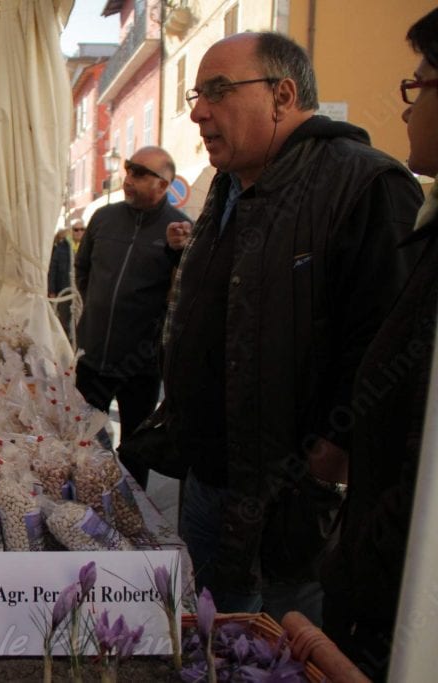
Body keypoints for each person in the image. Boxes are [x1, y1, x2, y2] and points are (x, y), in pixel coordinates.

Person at [158, 32, 422, 624]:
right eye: (197, 94)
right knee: (206, 640)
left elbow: (387, 353)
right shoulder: (230, 186)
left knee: (278, 646)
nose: (199, 111)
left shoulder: (365, 184)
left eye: (219, 91)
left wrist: (326, 470)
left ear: (282, 95)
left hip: (293, 504)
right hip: (209, 482)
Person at [320, 9, 438, 678]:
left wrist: (365, 563)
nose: (406, 109)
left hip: (392, 592)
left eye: (418, 86)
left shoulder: (375, 188)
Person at [74, 146, 188, 488]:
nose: (129, 178)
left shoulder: (180, 231)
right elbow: (83, 271)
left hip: (140, 365)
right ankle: (80, 508)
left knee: (135, 453)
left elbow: (185, 293)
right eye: (128, 169)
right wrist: (97, 311)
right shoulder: (103, 218)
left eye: (140, 173)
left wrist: (177, 254)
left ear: (163, 185)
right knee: (79, 441)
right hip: (94, 358)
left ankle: (132, 515)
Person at [47, 227, 73, 335]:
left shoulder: (81, 248)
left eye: (82, 230)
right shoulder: (60, 249)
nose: (80, 232)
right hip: (63, 288)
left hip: (77, 289)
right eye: (76, 230)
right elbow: (52, 270)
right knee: (64, 319)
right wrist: (51, 290)